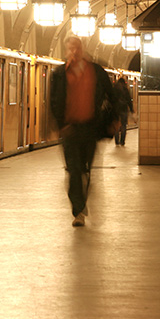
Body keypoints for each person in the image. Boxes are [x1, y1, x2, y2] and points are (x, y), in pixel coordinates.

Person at [50, 35, 115, 227]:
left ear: (83, 49)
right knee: (74, 169)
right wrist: (59, 125)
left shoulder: (96, 71)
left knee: (85, 169)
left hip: (90, 128)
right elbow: (53, 102)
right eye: (71, 49)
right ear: (66, 51)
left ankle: (81, 201)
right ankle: (78, 211)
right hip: (70, 130)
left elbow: (111, 95)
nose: (74, 52)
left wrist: (113, 120)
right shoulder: (59, 74)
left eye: (77, 48)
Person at [113, 76, 134, 146]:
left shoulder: (114, 89)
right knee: (123, 125)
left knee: (116, 125)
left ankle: (116, 141)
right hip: (124, 109)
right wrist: (131, 109)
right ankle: (122, 141)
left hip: (116, 110)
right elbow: (129, 100)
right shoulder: (125, 89)